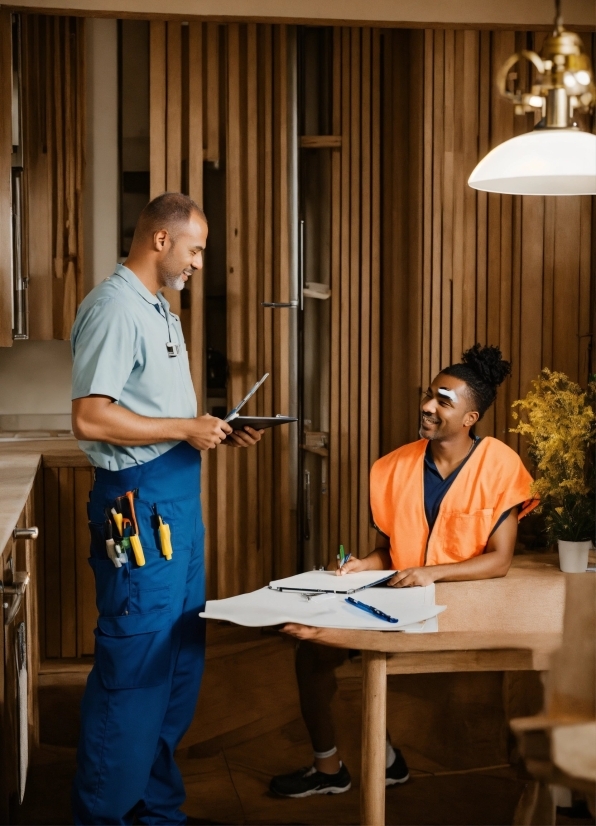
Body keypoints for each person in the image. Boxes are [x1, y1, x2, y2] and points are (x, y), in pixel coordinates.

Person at [70, 193, 262, 824]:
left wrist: (213, 428)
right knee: (135, 667)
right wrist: (185, 426)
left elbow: (152, 412)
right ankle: (105, 815)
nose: (199, 262)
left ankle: (154, 810)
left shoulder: (160, 311)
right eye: (196, 249)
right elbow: (90, 416)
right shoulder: (115, 308)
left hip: (177, 510)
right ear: (161, 241)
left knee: (177, 662)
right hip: (139, 510)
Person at [271, 344, 538, 798]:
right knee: (311, 648)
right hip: (400, 592)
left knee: (346, 650)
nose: (428, 406)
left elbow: (500, 559)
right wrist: (361, 564)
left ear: (471, 418)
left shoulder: (500, 465)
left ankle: (386, 760)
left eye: (444, 401)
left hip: (460, 602)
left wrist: (433, 573)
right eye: (429, 395)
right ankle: (331, 767)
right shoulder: (391, 466)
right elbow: (387, 553)